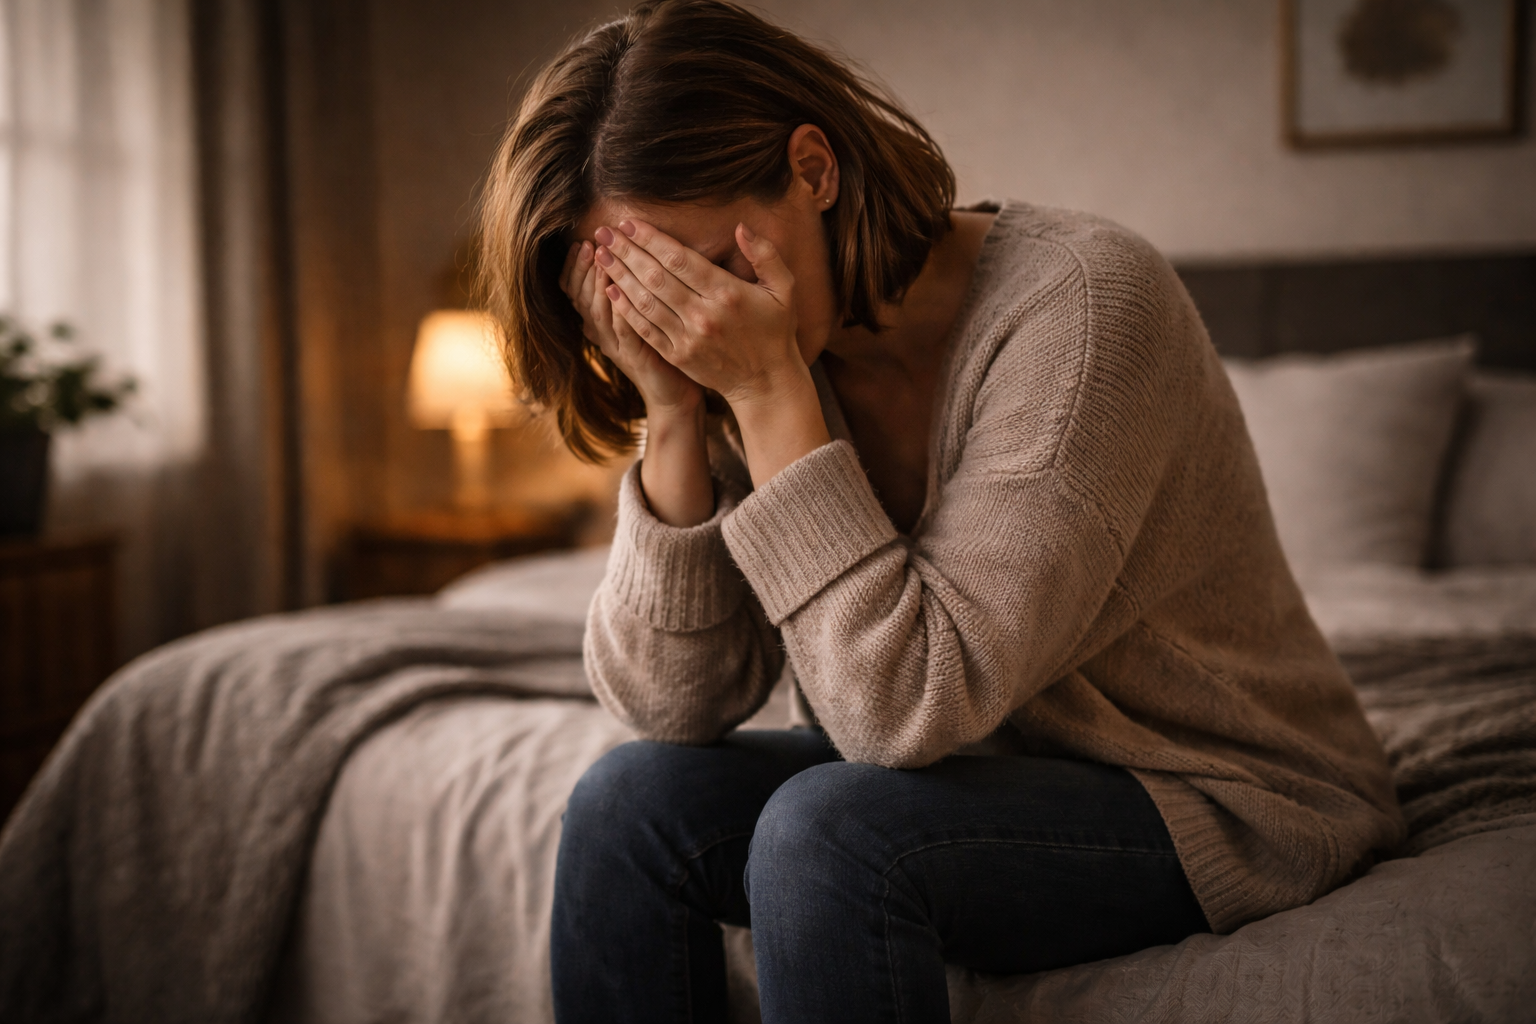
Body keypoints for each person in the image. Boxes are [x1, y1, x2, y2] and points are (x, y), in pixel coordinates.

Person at [477, 2, 1404, 1021]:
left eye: (710, 271)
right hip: (966, 775)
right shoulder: (741, 349)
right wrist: (672, 413)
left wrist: (772, 395)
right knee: (625, 805)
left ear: (813, 171)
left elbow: (902, 711)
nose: (694, 322)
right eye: (650, 299)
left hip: (1214, 789)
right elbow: (674, 707)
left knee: (828, 832)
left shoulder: (1086, 308)